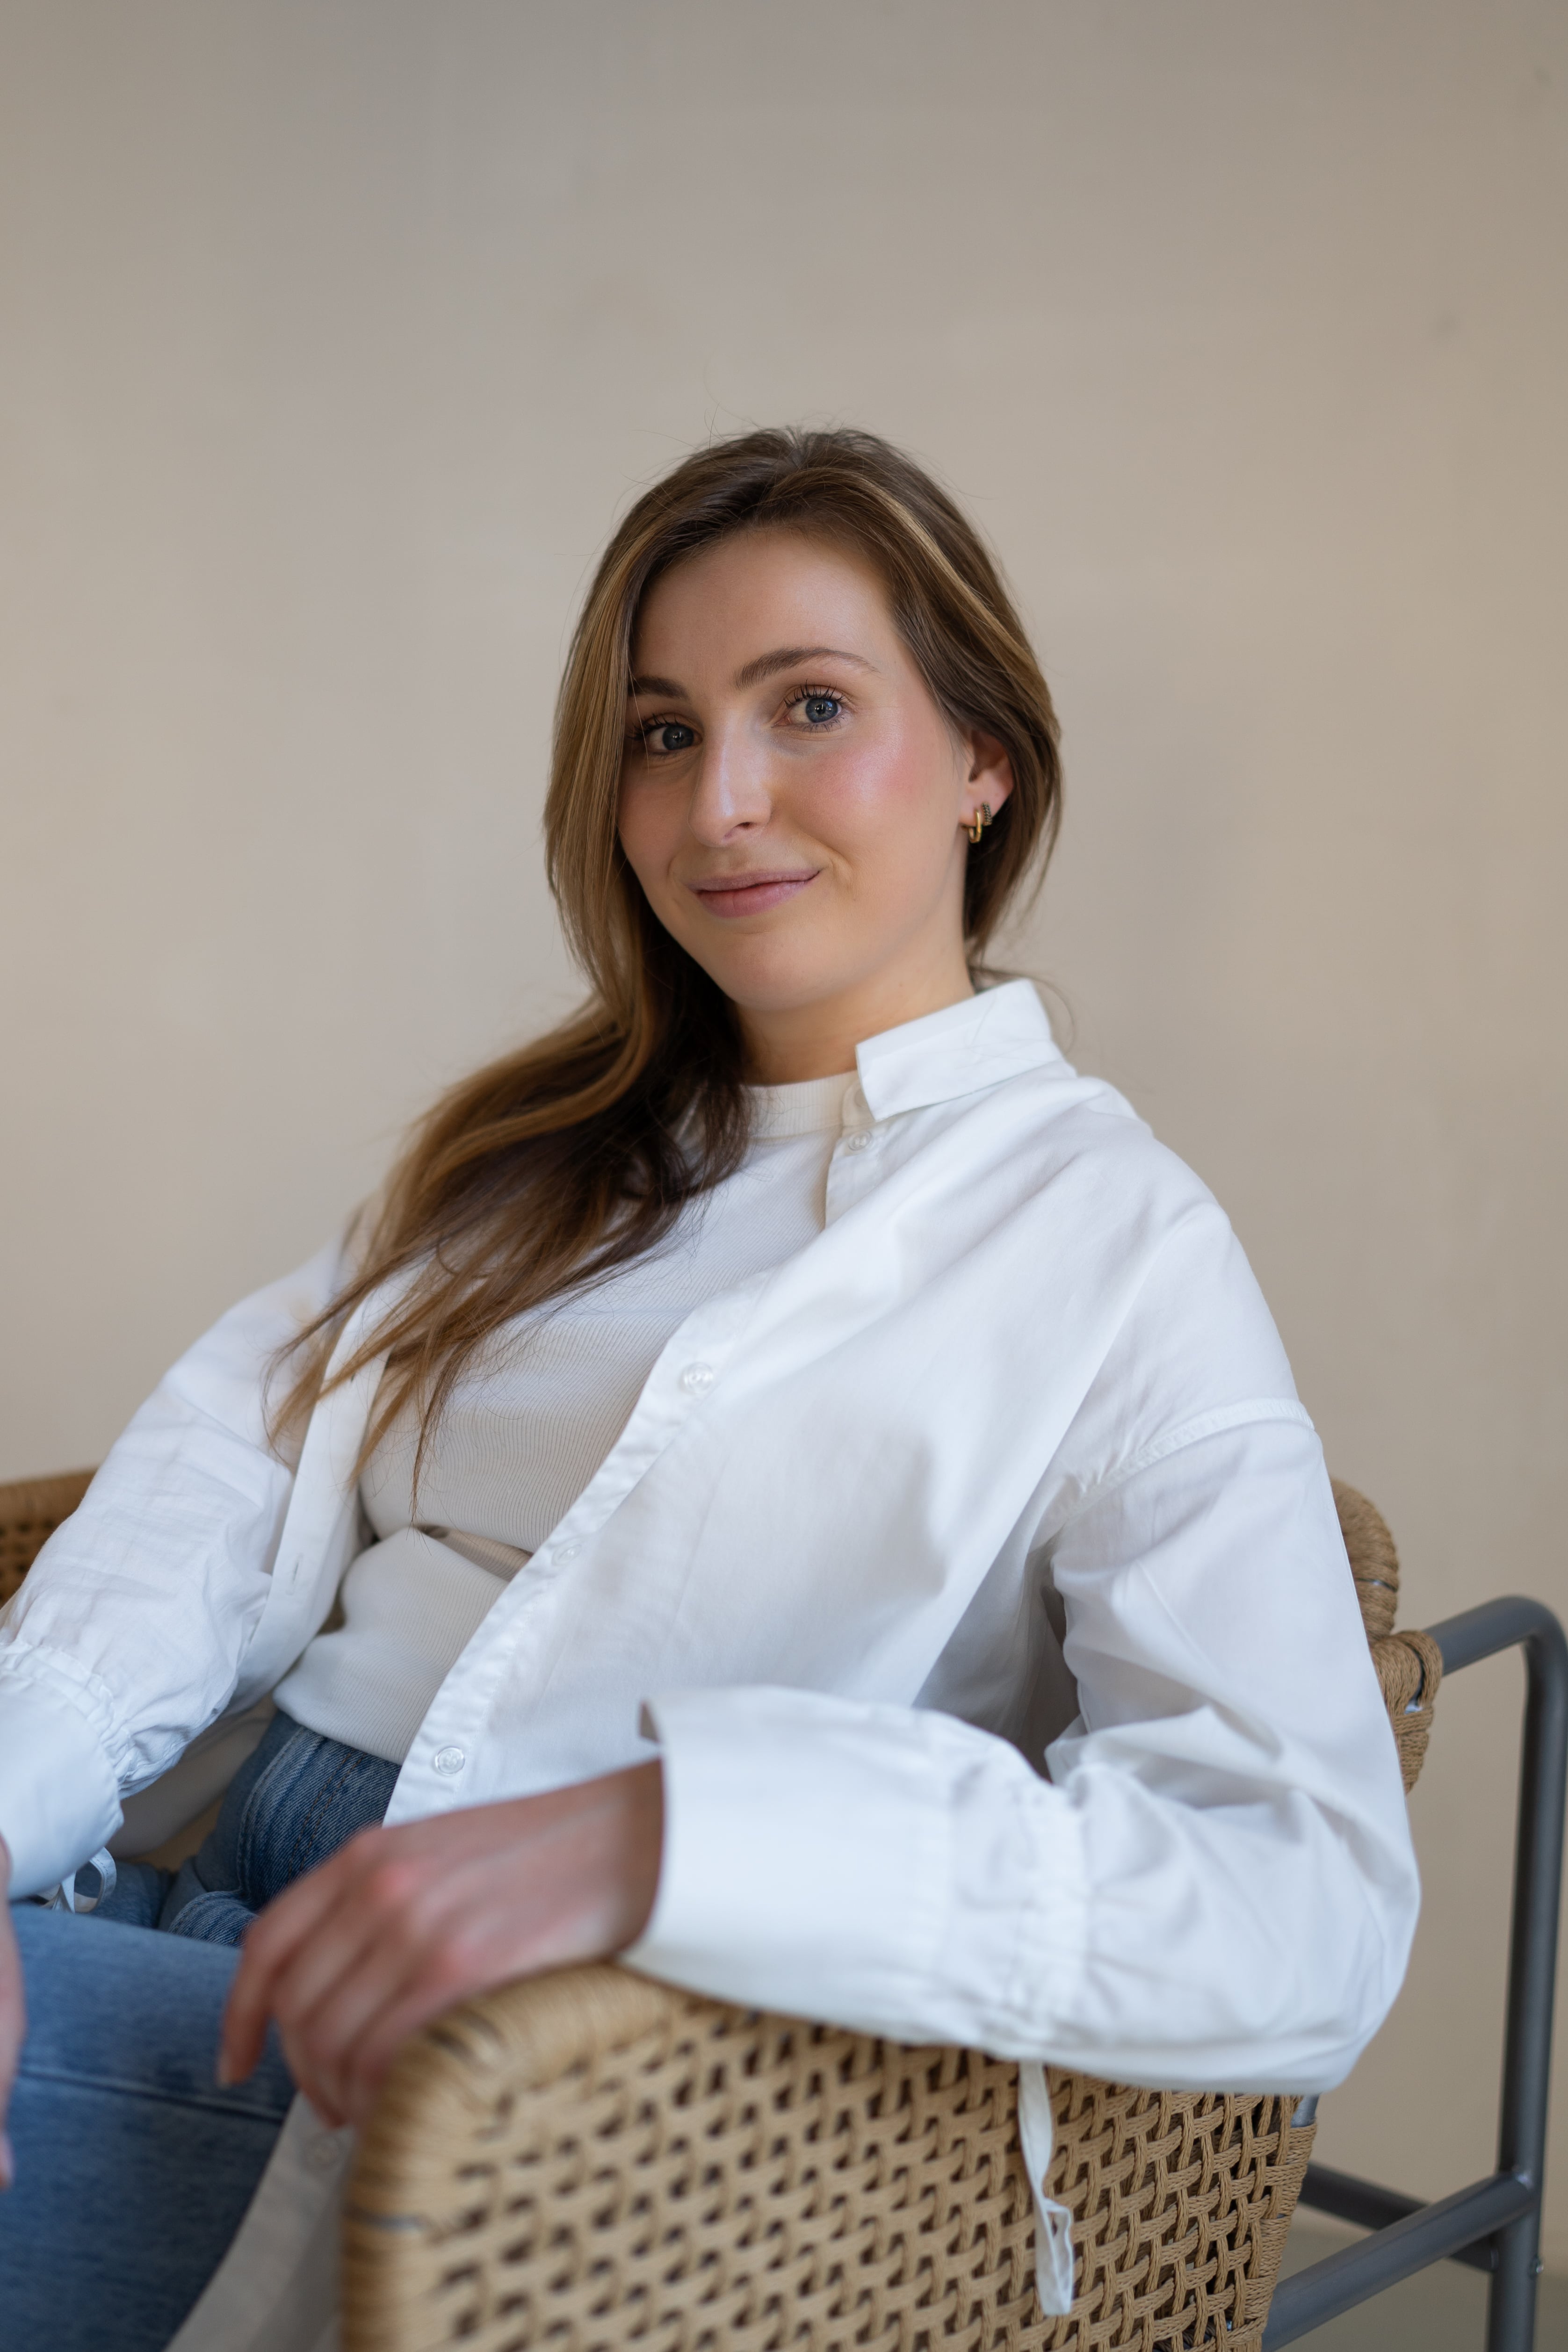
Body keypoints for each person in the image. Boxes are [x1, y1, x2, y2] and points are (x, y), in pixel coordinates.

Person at [0, 427, 1419, 2352]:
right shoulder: (522, 1155)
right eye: (662, 733)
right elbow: (206, 1490)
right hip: (177, 1884)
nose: (720, 802)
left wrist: (674, 1834)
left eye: (808, 706)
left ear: (984, 761)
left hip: (508, 2055)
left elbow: (1297, 1889)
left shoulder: (1108, 1244)